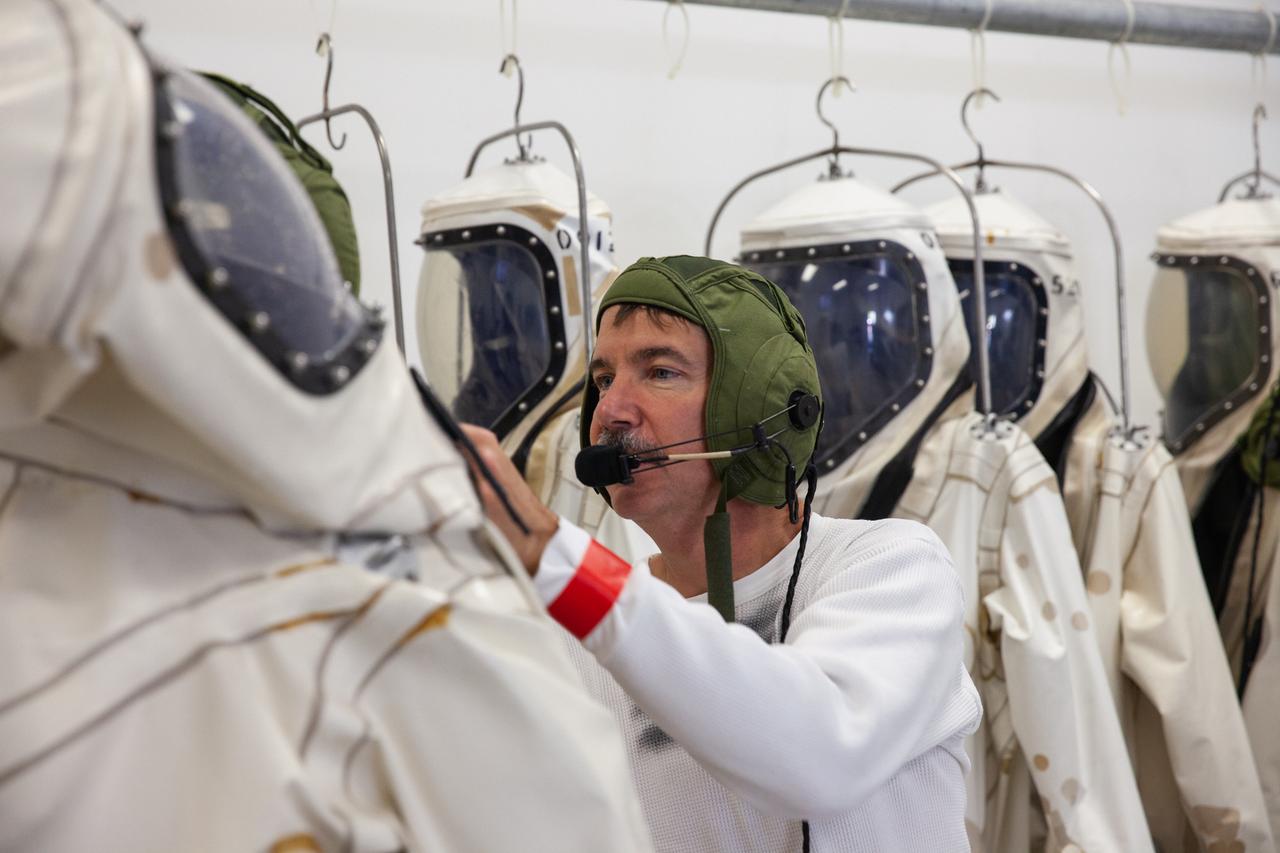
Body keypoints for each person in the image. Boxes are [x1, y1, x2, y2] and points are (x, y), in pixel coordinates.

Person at [0, 3, 654, 849]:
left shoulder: (405, 550)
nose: (621, 405)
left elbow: (789, 741)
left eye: (661, 369)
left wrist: (562, 562)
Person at [463, 255, 982, 852]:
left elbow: (819, 755)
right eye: (604, 379)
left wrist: (550, 554)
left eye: (659, 372)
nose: (610, 413)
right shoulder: (572, 636)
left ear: (764, 407)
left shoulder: (892, 570)